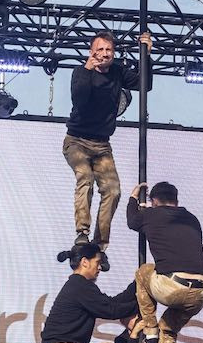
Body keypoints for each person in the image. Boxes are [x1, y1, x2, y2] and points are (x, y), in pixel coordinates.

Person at [64, 30, 153, 267]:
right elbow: (79, 100)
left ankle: (100, 245)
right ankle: (82, 233)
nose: (104, 54)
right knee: (85, 178)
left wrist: (146, 56)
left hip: (102, 144)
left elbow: (145, 85)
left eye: (109, 50)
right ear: (92, 52)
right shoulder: (81, 72)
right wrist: (88, 70)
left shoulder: (117, 72)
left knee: (113, 191)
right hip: (77, 140)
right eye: (100, 50)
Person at [125, 181, 203, 343]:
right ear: (176, 201)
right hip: (200, 292)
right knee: (169, 332)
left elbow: (132, 221)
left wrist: (133, 199)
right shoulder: (192, 219)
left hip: (173, 286)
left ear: (154, 201)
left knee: (143, 272)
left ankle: (150, 331)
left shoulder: (152, 215)